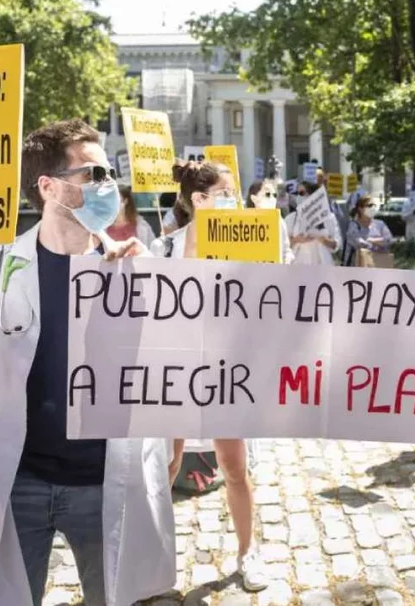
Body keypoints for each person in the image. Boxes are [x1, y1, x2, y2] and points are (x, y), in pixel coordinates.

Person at [0, 120, 175, 605]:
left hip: (105, 486)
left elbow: (177, 369)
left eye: (110, 172)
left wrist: (151, 286)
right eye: (94, 173)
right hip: (21, 485)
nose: (109, 185)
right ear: (49, 186)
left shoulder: (132, 267)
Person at [151, 160, 268, 593]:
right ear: (200, 200)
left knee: (234, 467)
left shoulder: (247, 241)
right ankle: (153, 560)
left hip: (226, 370)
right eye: (226, 191)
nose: (233, 199)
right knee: (165, 467)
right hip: (176, 372)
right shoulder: (165, 248)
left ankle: (247, 551)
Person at [285, 181, 343, 266]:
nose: (298, 196)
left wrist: (323, 239)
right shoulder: (291, 218)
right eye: (297, 193)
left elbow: (337, 245)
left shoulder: (329, 217)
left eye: (302, 193)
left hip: (322, 266)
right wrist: (297, 239)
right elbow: (283, 244)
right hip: (299, 265)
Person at [245, 179, 295, 263]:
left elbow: (286, 250)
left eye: (275, 195)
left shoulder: (279, 221)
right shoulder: (244, 222)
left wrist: (287, 259)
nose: (272, 198)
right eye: (267, 194)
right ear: (254, 198)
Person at [344, 194, 394, 267]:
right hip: (356, 268)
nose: (373, 208)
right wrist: (379, 245)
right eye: (370, 205)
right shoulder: (353, 225)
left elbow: (389, 240)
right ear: (360, 209)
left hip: (378, 266)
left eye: (374, 205)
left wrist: (372, 240)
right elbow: (358, 243)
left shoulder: (380, 224)